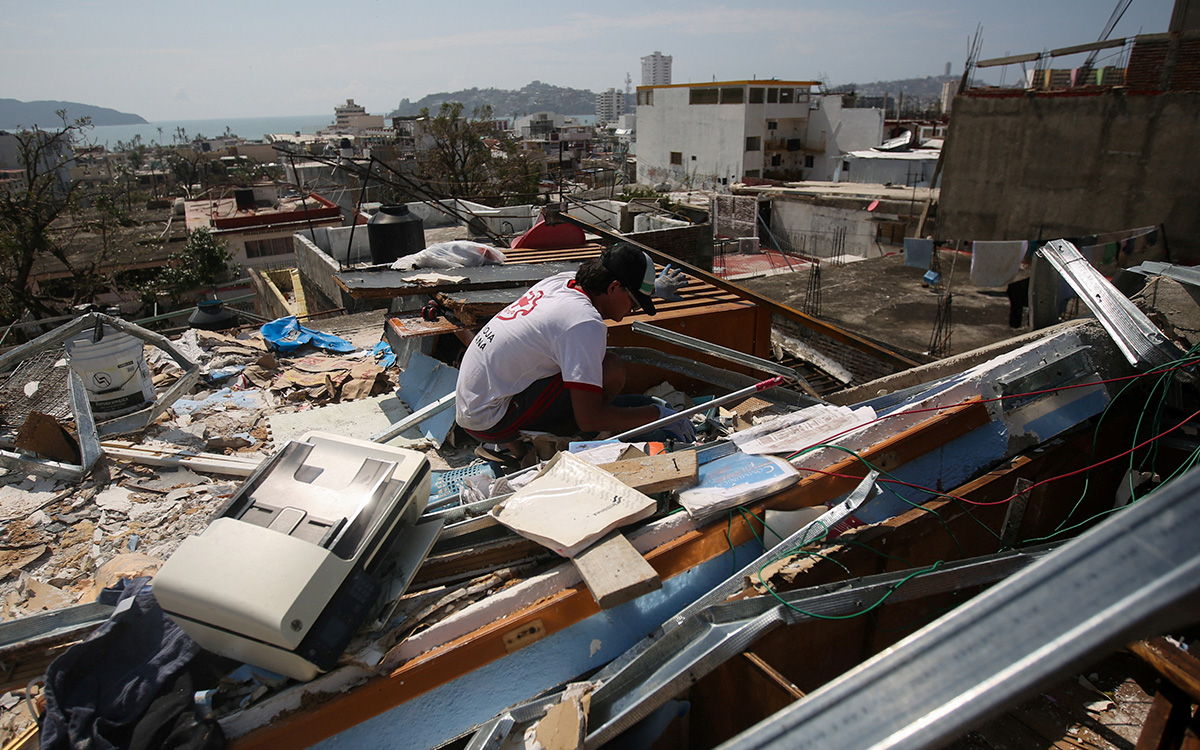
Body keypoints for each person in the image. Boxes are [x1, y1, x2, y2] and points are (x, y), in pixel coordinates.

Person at [455, 242, 694, 458]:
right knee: (611, 370)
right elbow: (589, 418)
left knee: (597, 366)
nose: (633, 310)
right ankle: (561, 443)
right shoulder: (583, 323)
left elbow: (617, 280)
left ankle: (520, 442)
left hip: (475, 405)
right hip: (491, 421)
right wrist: (658, 415)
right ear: (613, 287)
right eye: (634, 302)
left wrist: (650, 288)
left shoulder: (563, 282)